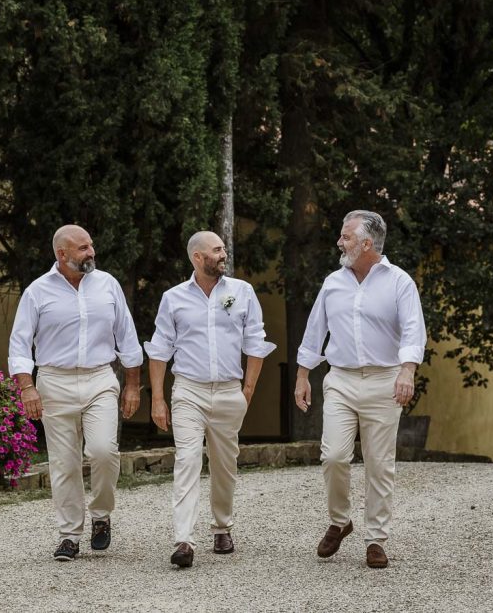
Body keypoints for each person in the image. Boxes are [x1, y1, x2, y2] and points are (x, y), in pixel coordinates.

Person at [294, 210, 426, 569]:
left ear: (367, 243)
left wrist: (407, 371)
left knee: (379, 464)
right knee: (334, 456)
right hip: (341, 379)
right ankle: (340, 520)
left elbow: (414, 331)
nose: (340, 242)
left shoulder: (399, 282)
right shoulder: (333, 283)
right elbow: (314, 329)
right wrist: (303, 375)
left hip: (385, 380)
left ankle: (376, 539)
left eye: (346, 236)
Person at [8, 224, 143, 562]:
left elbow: (127, 337)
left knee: (103, 450)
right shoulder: (37, 292)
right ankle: (69, 535)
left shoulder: (107, 285)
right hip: (54, 380)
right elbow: (20, 345)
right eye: (82, 248)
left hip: (100, 378)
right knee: (64, 463)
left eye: (91, 246)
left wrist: (131, 385)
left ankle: (101, 515)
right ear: (62, 254)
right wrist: (27, 388)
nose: (91, 253)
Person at [146, 231, 276, 568]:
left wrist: (246, 391)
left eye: (223, 249)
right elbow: (160, 350)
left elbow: (256, 343)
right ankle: (184, 541)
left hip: (230, 390)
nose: (223, 254)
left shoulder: (241, 292)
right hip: (188, 389)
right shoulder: (173, 298)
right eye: (216, 250)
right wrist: (158, 399)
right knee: (187, 461)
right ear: (197, 258)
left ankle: (222, 525)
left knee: (224, 464)